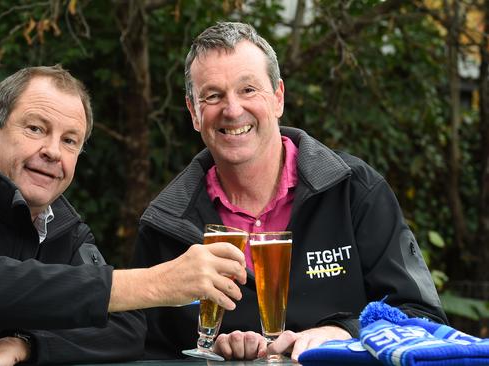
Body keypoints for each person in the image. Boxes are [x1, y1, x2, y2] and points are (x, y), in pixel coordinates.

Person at [0, 65, 247, 366]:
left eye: (70, 141)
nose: (53, 151)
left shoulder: (64, 231)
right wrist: (159, 281)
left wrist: (23, 344)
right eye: (36, 129)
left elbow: (124, 328)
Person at [132, 21, 448, 362]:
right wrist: (214, 352)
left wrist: (342, 332)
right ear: (194, 112)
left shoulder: (354, 191)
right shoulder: (166, 224)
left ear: (278, 97)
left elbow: (422, 317)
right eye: (213, 95)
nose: (233, 109)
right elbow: (144, 347)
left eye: (248, 89)